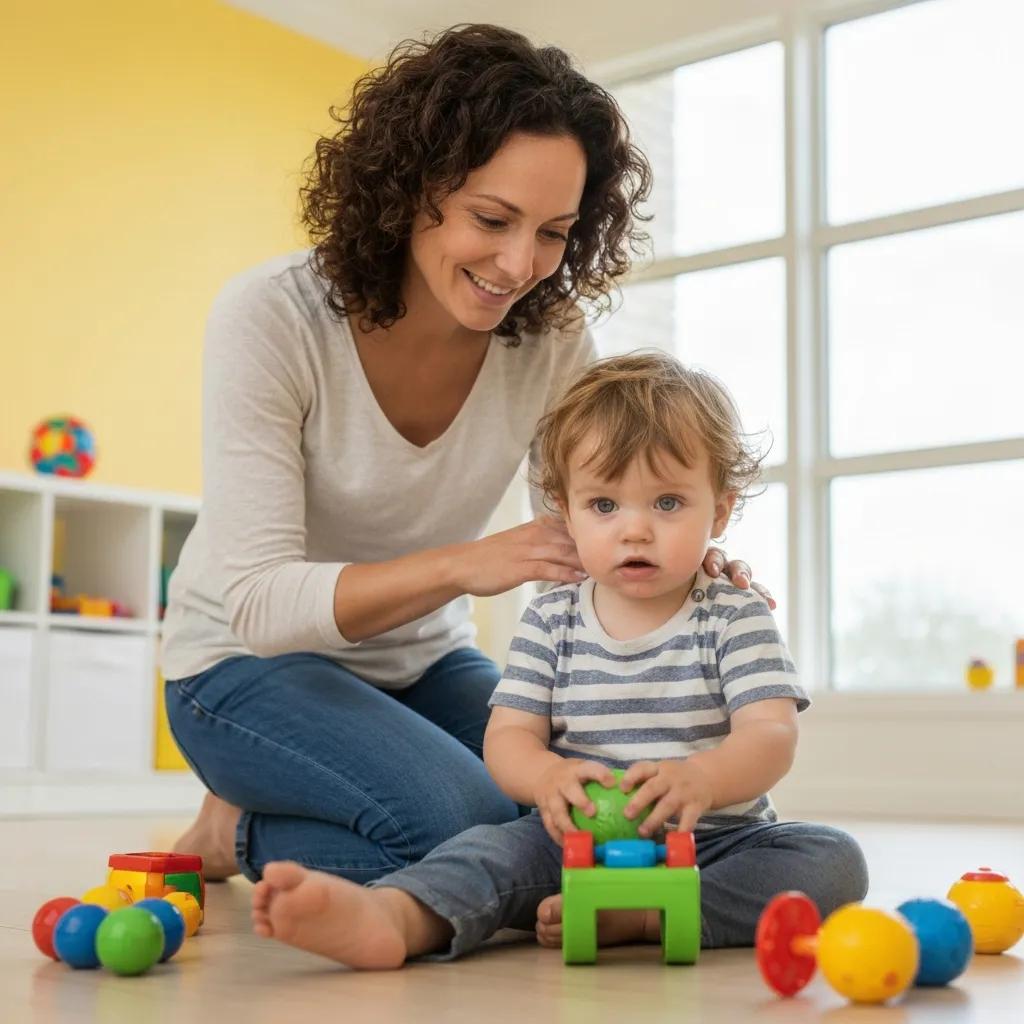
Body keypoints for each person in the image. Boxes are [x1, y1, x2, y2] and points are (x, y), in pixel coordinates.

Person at [161, 24, 770, 886]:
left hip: (421, 661)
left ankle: (295, 811)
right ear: (412, 188)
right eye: (492, 218)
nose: (520, 263)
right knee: (457, 821)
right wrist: (464, 565)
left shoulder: (552, 341)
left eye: (555, 232)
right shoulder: (272, 318)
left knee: (568, 813)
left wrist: (664, 557)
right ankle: (235, 837)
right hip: (241, 668)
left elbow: (583, 523)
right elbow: (259, 603)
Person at [248, 352, 869, 968]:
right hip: (573, 843)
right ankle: (397, 916)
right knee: (488, 852)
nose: (635, 530)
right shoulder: (552, 619)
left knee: (832, 859)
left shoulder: (735, 614)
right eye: (605, 505)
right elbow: (511, 735)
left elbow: (772, 733)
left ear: (721, 510)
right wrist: (545, 778)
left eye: (668, 503)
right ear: (563, 510)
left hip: (715, 841)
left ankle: (651, 915)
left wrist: (704, 779)